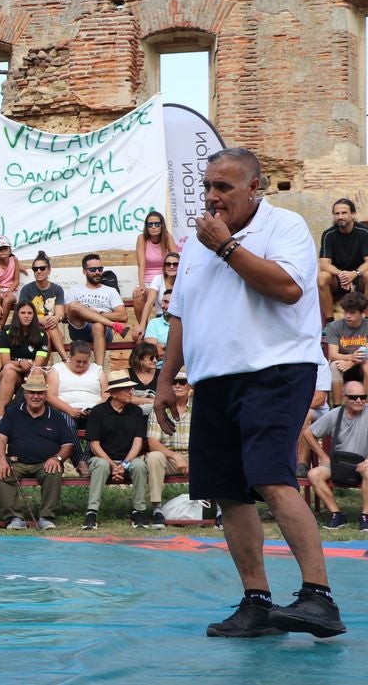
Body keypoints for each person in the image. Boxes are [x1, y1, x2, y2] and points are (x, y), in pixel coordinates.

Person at [155, 147, 345, 638]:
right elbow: (180, 314)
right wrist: (164, 379)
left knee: (270, 477)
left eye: (225, 187)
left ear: (254, 187)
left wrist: (225, 247)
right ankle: (256, 603)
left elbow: (286, 289)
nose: (213, 197)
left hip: (275, 369)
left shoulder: (284, 227)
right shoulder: (197, 241)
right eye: (208, 187)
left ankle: (318, 598)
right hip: (214, 376)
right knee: (225, 491)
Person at [0, 372, 76, 529]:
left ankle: (46, 517)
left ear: (45, 394)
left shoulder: (56, 416)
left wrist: (57, 459)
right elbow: (1, 438)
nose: (36, 396)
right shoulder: (12, 412)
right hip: (17, 462)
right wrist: (2, 460)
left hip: (46, 463)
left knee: (53, 471)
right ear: (25, 393)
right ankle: (15, 518)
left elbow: (68, 445)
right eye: (32, 392)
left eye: (39, 393)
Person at [83, 370, 149, 529]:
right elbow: (94, 445)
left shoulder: (136, 412)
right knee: (101, 465)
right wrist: (113, 465)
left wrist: (124, 465)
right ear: (113, 393)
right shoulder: (98, 412)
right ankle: (92, 512)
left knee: (140, 466)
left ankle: (138, 511)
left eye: (130, 388)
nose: (130, 391)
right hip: (103, 459)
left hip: (127, 460)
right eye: (126, 389)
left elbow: (138, 443)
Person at [303, 380, 368, 531]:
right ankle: (336, 514)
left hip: (363, 464)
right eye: (353, 397)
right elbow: (308, 433)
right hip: (340, 464)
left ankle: (365, 515)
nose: (359, 401)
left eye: (363, 397)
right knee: (314, 474)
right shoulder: (335, 415)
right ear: (344, 397)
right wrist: (323, 456)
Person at [145, 368, 192, 529]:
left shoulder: (199, 408)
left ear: (189, 386)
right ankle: (157, 509)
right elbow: (152, 442)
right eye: (173, 382)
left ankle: (220, 510)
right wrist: (175, 456)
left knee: (215, 455)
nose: (177, 385)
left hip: (194, 455)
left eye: (182, 382)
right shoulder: (159, 409)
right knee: (154, 456)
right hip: (169, 458)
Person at [65, 254, 129, 366]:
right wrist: (85, 313)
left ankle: (99, 369)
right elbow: (68, 314)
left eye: (100, 269)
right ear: (84, 272)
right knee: (74, 306)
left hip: (103, 332)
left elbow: (123, 316)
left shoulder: (111, 291)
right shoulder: (75, 290)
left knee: (98, 325)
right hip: (80, 328)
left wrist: (98, 313)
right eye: (93, 269)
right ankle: (114, 325)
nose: (97, 272)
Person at [317, 198, 368, 321]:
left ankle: (366, 319)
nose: (340, 216)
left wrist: (354, 274)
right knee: (322, 277)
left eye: (344, 213)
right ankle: (329, 322)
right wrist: (342, 275)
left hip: (358, 277)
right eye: (337, 213)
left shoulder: (364, 232)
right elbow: (324, 264)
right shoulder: (328, 234)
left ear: (353, 214)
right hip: (338, 279)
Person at [0, 300, 50, 411]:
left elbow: (37, 364)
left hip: (30, 371)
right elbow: (5, 361)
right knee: (9, 372)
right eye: (23, 313)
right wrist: (20, 364)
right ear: (17, 314)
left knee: (36, 373)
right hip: (10, 373)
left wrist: (17, 366)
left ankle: (28, 415)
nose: (26, 316)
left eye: (29, 313)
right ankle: (1, 418)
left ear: (34, 315)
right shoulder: (6, 331)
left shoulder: (42, 334)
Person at [19, 250, 68, 361]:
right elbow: (22, 314)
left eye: (42, 268)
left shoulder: (57, 289)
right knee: (48, 333)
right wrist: (40, 320)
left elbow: (60, 313)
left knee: (49, 330)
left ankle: (43, 370)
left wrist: (56, 318)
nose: (39, 271)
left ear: (49, 270)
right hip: (31, 328)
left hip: (50, 327)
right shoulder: (27, 289)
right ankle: (65, 359)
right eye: (35, 269)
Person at [132, 211, 178, 327]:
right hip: (148, 282)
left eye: (157, 224)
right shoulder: (142, 238)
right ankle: (145, 330)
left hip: (165, 279)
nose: (153, 227)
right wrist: (142, 285)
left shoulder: (167, 237)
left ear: (162, 225)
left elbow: (176, 259)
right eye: (150, 224)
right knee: (138, 296)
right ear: (146, 227)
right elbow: (141, 264)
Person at [323, 291, 367, 405]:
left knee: (367, 365)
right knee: (334, 365)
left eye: (352, 312)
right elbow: (332, 355)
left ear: (362, 313)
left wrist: (352, 362)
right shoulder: (335, 326)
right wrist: (351, 357)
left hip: (361, 365)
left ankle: (365, 403)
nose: (347, 315)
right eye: (346, 311)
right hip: (343, 364)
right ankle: (337, 407)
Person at [134, 251, 179, 341]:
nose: (171, 266)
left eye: (175, 264)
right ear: (164, 266)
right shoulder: (158, 279)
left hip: (179, 319)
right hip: (161, 317)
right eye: (168, 264)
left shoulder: (184, 281)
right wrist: (142, 325)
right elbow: (149, 302)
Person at [0, 235, 24, 329]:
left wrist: (8, 291)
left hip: (11, 289)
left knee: (7, 300)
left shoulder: (14, 260)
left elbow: (16, 281)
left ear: (10, 250)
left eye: (5, 248)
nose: (2, 251)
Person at [127, 341, 160, 414]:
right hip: (132, 414)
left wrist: (138, 399)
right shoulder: (127, 373)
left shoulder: (161, 373)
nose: (155, 360)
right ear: (140, 358)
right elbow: (125, 397)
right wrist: (150, 401)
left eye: (156, 357)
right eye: (151, 358)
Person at [142, 287, 174, 359]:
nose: (162, 306)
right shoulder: (154, 323)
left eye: (166, 302)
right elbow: (152, 353)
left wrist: (164, 346)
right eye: (162, 302)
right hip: (159, 368)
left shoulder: (185, 323)